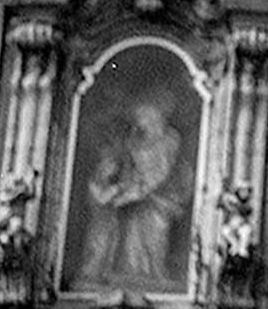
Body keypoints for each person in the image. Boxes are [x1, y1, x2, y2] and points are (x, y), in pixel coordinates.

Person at [78, 99, 189, 289]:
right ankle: (129, 272)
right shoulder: (132, 142)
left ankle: (155, 271)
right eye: (137, 119)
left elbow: (164, 173)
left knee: (155, 228)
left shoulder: (169, 140)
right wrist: (125, 190)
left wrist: (139, 191)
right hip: (133, 198)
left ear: (155, 118)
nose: (139, 123)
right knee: (126, 233)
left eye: (143, 118)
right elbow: (123, 171)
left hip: (161, 199)